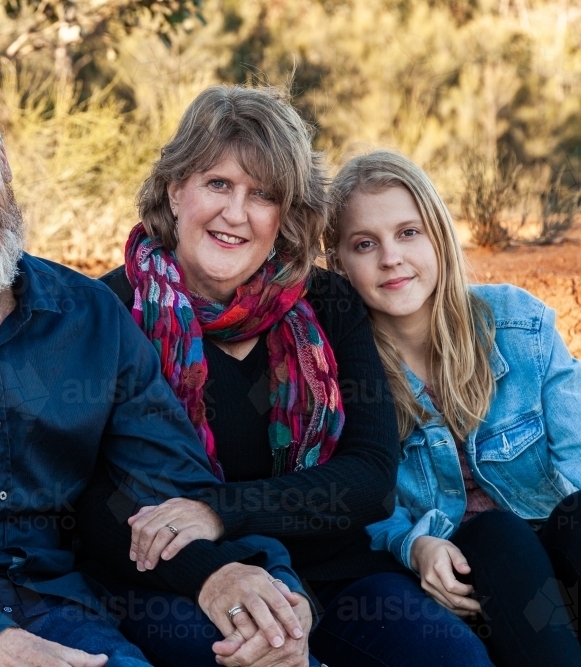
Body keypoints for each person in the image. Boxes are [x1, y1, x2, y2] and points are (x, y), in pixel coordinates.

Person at [0, 47, 316, 667]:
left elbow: (174, 482)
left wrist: (261, 584)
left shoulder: (91, 317)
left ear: (4, 161)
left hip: (68, 610)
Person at [89, 86, 496, 667]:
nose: (236, 213)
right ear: (176, 189)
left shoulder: (327, 301)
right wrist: (213, 567)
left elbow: (370, 477)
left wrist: (217, 510)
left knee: (454, 661)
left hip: (339, 576)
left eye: (263, 195)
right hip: (187, 583)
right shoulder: (111, 311)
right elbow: (97, 502)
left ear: (286, 216)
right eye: (218, 184)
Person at [324, 149, 581, 667]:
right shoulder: (341, 370)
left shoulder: (517, 324)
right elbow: (358, 502)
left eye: (408, 232)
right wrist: (415, 546)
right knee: (495, 533)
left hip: (554, 550)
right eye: (364, 244)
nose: (390, 257)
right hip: (457, 576)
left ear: (438, 234)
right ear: (340, 264)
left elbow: (577, 456)